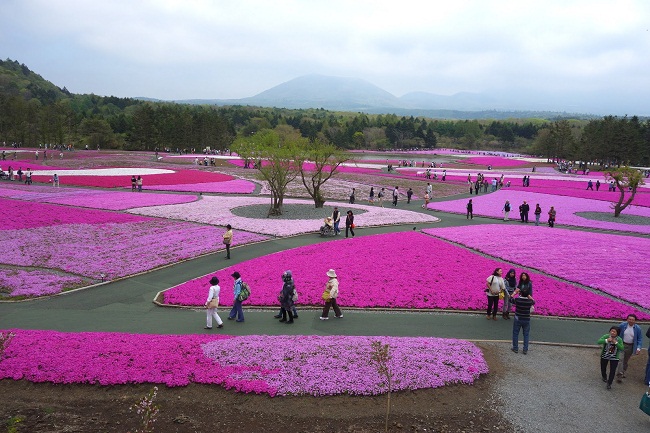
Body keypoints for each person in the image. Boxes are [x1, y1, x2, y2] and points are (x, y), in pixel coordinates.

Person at [616, 314, 643, 383]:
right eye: (629, 319)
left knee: (625, 360)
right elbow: (617, 331)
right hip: (622, 344)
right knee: (620, 359)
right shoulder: (622, 325)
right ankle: (619, 375)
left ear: (635, 321)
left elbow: (639, 339)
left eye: (632, 320)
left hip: (631, 346)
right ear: (627, 319)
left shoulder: (637, 328)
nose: (631, 321)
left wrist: (638, 348)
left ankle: (623, 371)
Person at [511, 286, 535, 354]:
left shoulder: (517, 300)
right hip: (526, 319)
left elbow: (510, 299)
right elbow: (534, 301)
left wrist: (515, 292)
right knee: (526, 334)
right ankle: (525, 349)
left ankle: (515, 348)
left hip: (518, 318)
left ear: (520, 293)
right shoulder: (529, 301)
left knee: (515, 333)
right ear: (528, 294)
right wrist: (528, 296)